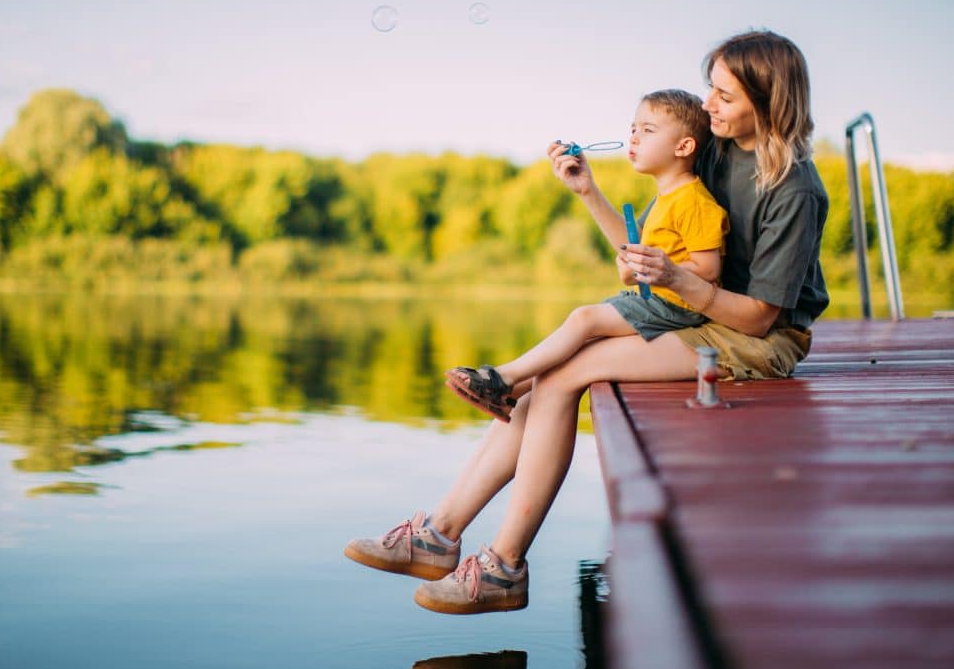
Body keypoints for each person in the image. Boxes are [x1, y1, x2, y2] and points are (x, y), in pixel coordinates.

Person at [343, 30, 829, 616]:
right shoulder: (716, 151)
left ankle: (502, 566)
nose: (707, 106)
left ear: (769, 98)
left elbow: (758, 317)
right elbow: (640, 255)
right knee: (545, 376)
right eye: (710, 90)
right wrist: (589, 192)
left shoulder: (793, 188)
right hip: (692, 309)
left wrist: (678, 280)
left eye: (724, 95)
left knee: (562, 376)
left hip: (756, 339)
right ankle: (440, 536)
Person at [444, 89, 728, 423]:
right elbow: (650, 262)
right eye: (633, 128)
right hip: (663, 304)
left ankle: (501, 378)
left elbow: (708, 269)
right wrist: (636, 268)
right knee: (585, 332)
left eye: (648, 131)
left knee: (585, 320)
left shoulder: (694, 202)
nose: (634, 138)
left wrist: (653, 270)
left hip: (679, 310)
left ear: (684, 147)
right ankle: (508, 394)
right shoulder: (666, 199)